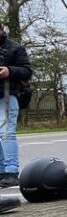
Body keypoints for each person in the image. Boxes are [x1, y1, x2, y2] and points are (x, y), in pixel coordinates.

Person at [0, 21, 32, 188]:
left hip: (7, 94)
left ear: (1, 29)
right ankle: (1, 172)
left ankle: (11, 172)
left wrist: (9, 71)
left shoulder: (15, 48)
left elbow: (27, 71)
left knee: (6, 132)